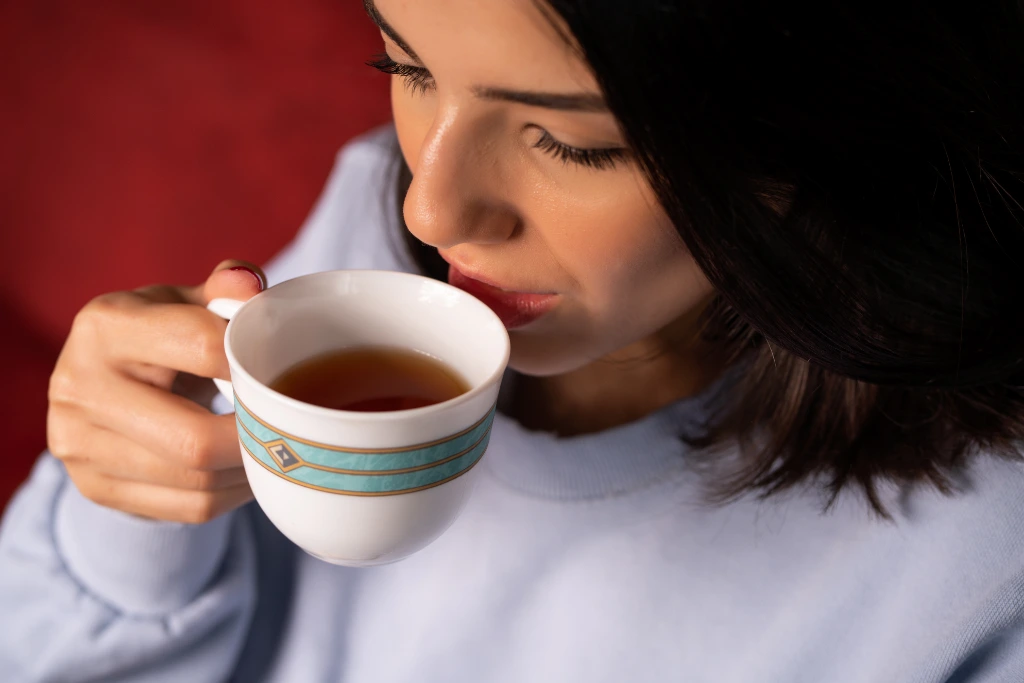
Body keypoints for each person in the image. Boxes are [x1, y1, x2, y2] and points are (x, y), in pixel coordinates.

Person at [2, 0, 1024, 680]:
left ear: (831, 126)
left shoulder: (979, 558)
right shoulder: (374, 215)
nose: (438, 208)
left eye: (570, 139)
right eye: (404, 65)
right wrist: (124, 524)